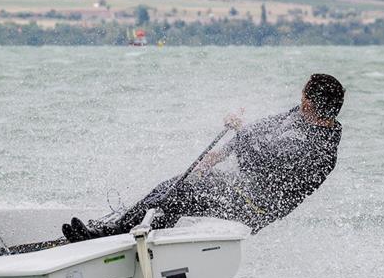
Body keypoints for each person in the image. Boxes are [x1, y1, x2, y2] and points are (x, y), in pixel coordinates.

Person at [62, 73, 345, 242]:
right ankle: (127, 232)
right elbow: (259, 131)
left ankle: (112, 235)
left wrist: (241, 131)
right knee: (174, 185)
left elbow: (260, 162)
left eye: (302, 95)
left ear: (309, 102)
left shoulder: (318, 151)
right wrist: (219, 154)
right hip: (239, 190)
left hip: (254, 208)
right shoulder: (299, 115)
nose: (299, 99)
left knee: (180, 192)